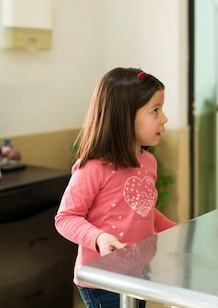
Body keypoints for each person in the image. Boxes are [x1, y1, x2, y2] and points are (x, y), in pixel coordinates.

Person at [55, 67, 178, 308]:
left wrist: (178, 231)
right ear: (124, 116)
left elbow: (143, 211)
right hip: (103, 279)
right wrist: (98, 238)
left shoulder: (148, 162)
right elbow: (66, 218)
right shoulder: (93, 167)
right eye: (155, 110)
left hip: (136, 273)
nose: (164, 118)